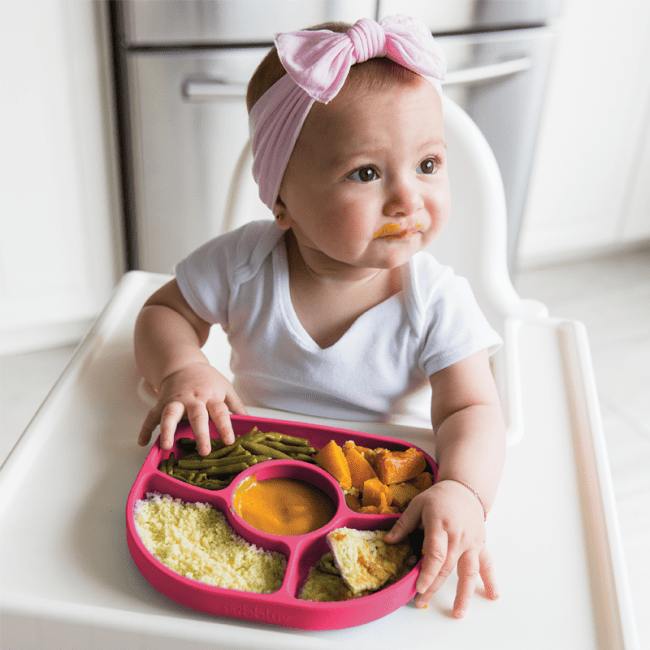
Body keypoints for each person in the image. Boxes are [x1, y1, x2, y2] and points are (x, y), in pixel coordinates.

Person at [134, 15, 506, 618]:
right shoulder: (244, 264)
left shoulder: (434, 301)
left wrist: (463, 490)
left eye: (428, 165)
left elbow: (474, 409)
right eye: (366, 173)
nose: (408, 198)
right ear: (282, 199)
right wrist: (182, 367)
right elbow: (163, 310)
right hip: (255, 463)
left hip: (380, 492)